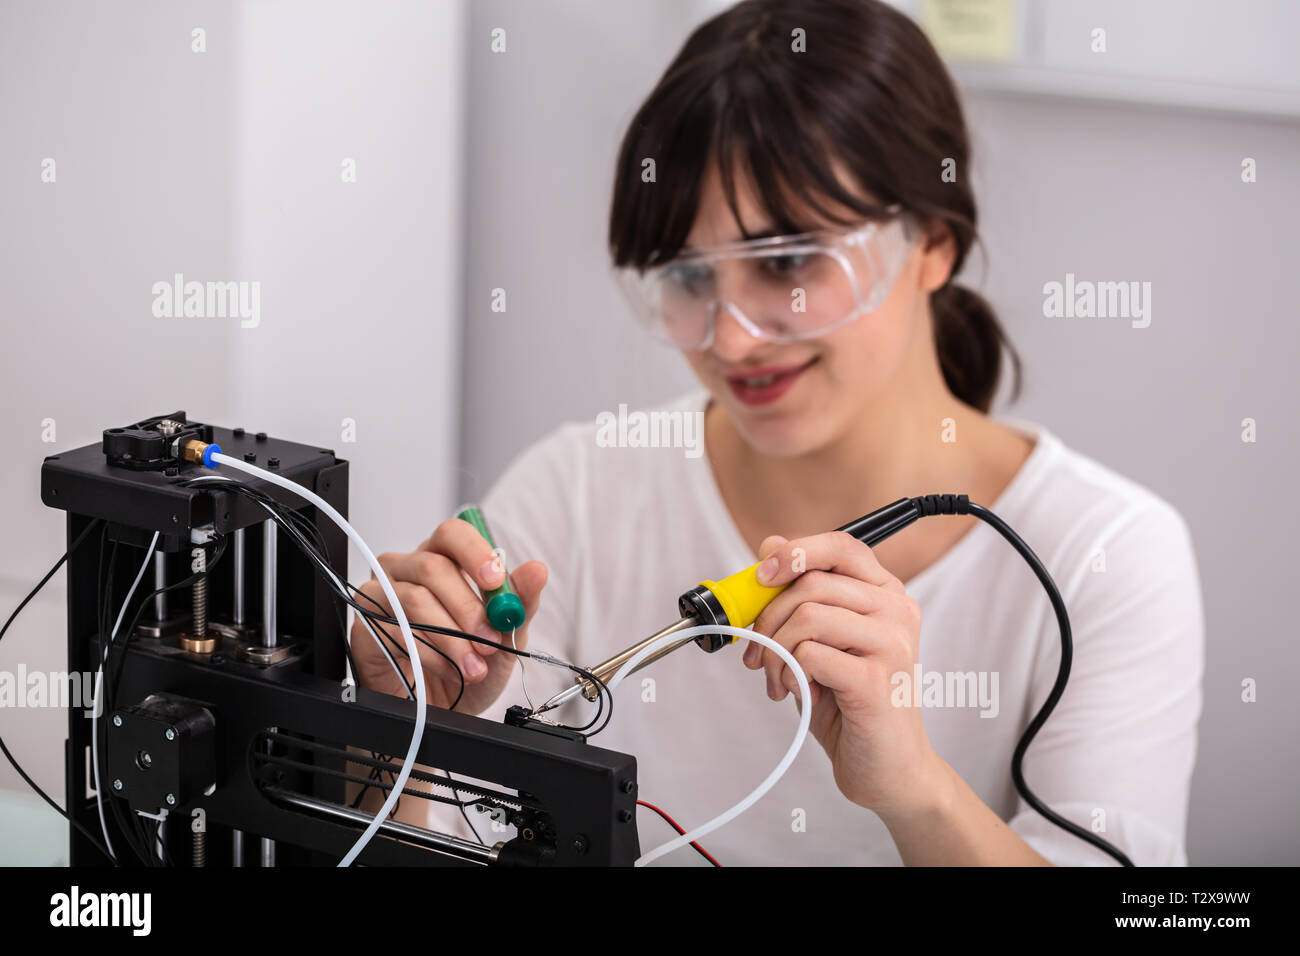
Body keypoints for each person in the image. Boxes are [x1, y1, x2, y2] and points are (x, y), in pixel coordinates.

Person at [351, 0, 1203, 865]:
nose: (733, 339)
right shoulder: (575, 492)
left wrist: (914, 789)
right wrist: (404, 738)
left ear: (933, 245)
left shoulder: (1107, 556)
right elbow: (434, 841)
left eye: (788, 264)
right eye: (687, 276)